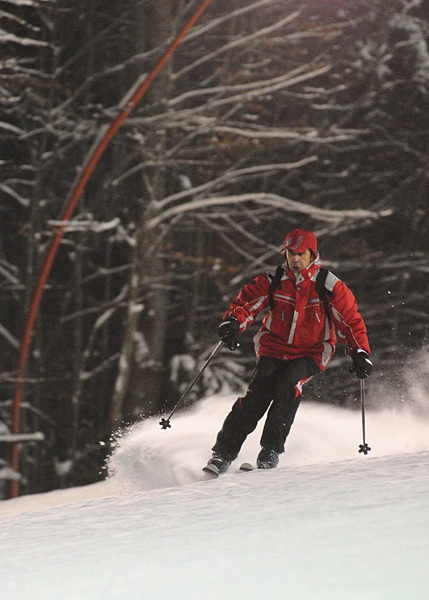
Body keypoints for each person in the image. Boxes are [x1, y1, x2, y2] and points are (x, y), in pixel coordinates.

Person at [204, 228, 372, 474]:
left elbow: (349, 320)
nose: (295, 259)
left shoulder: (327, 284)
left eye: (300, 254)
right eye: (290, 253)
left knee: (288, 385)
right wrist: (232, 322)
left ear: (312, 254)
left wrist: (359, 352)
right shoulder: (273, 280)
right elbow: (246, 304)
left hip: (311, 352)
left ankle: (270, 451)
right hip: (273, 347)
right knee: (257, 395)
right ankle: (222, 455)